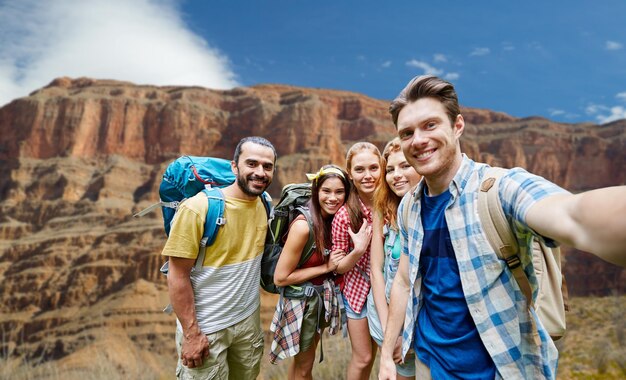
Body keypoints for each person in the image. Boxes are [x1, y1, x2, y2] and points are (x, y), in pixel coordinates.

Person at [378, 75, 626, 380]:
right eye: (407, 133)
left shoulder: (499, 190)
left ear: (457, 126)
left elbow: (573, 214)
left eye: (430, 125)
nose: (417, 140)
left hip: (502, 368)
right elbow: (404, 280)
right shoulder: (410, 207)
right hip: (430, 364)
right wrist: (386, 355)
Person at [162, 136, 276, 380]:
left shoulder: (265, 204)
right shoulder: (198, 208)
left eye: (267, 166)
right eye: (252, 164)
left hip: (247, 325)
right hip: (207, 330)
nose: (260, 172)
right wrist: (192, 335)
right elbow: (177, 275)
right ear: (234, 167)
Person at [269, 164, 351, 379]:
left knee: (300, 364)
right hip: (301, 304)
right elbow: (281, 277)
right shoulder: (303, 226)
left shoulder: (331, 220)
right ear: (316, 192)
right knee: (305, 368)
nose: (332, 198)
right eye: (326, 191)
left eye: (339, 192)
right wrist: (326, 267)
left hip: (315, 301)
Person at [367, 137, 421, 380]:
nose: (396, 175)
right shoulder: (383, 208)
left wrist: (406, 333)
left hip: (418, 325)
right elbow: (376, 271)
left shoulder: (431, 212)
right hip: (384, 316)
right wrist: (392, 333)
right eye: (390, 169)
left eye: (405, 166)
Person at [332, 142, 380, 380]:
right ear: (350, 173)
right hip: (358, 293)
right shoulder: (344, 215)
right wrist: (358, 250)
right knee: (363, 357)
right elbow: (338, 266)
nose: (368, 175)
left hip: (387, 290)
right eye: (360, 170)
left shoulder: (392, 204)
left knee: (385, 354)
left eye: (373, 168)